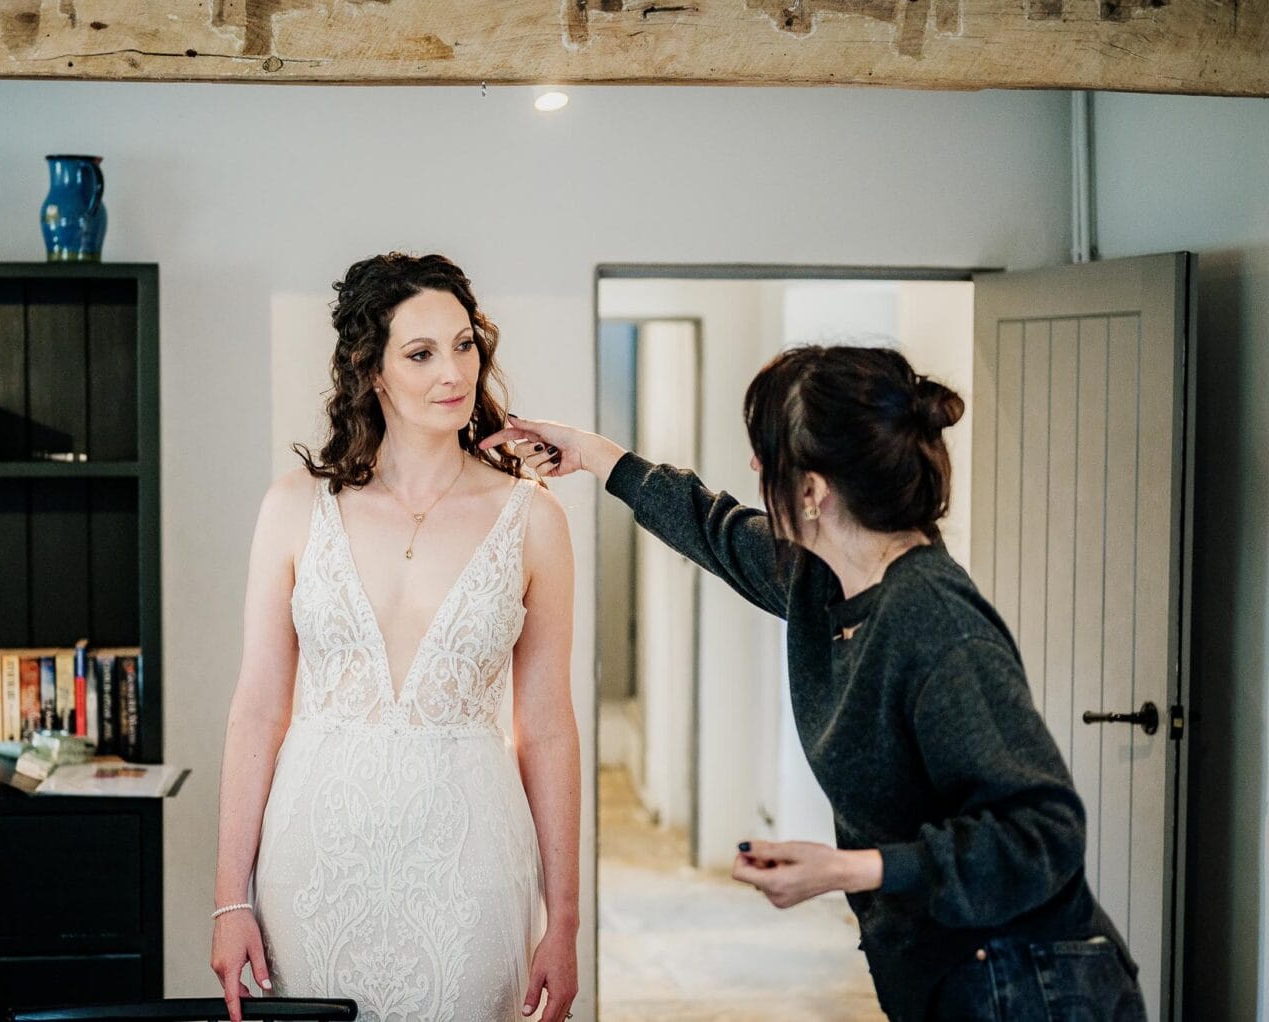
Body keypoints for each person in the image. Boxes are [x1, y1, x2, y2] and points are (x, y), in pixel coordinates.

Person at [484, 344, 1146, 1022]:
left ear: (812, 491)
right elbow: (719, 531)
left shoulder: (933, 622)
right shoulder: (823, 579)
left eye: (764, 455)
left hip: (1031, 984)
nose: (752, 467)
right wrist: (598, 457)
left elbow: (1044, 834)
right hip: (948, 972)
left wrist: (853, 869)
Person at [212, 253, 580, 1022]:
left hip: (473, 866)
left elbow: (546, 728)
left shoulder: (533, 519)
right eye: (420, 353)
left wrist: (565, 922)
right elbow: (256, 711)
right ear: (370, 372)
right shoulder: (292, 507)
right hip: (313, 864)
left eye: (464, 344)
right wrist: (229, 900)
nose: (454, 372)